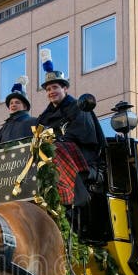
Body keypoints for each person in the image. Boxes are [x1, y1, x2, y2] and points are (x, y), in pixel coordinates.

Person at [35, 50, 100, 208]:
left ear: (65, 89)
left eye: (55, 87)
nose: (51, 92)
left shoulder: (78, 108)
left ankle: (66, 198)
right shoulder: (44, 117)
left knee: (55, 150)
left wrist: (55, 142)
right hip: (53, 156)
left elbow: (81, 136)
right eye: (48, 89)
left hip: (80, 157)